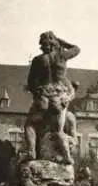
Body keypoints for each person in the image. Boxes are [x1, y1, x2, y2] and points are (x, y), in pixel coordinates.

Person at [24, 31, 80, 164]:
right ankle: (67, 157)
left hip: (43, 97)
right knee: (58, 131)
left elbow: (31, 83)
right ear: (54, 43)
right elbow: (77, 49)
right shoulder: (62, 56)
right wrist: (60, 41)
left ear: (42, 45)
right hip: (59, 97)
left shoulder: (38, 60)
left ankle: (31, 151)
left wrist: (38, 94)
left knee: (29, 124)